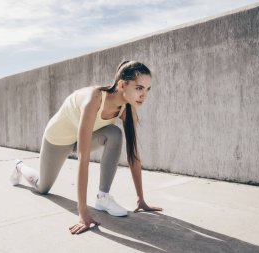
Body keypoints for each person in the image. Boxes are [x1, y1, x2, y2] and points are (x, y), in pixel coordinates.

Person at [10, 60, 163, 235]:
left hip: (85, 138)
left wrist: (141, 199)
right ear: (122, 85)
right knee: (42, 188)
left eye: (147, 89)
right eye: (139, 88)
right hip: (58, 139)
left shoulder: (127, 109)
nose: (144, 95)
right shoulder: (94, 98)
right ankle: (19, 166)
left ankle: (103, 197)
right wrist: (82, 212)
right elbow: (83, 160)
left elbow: (133, 154)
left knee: (114, 133)